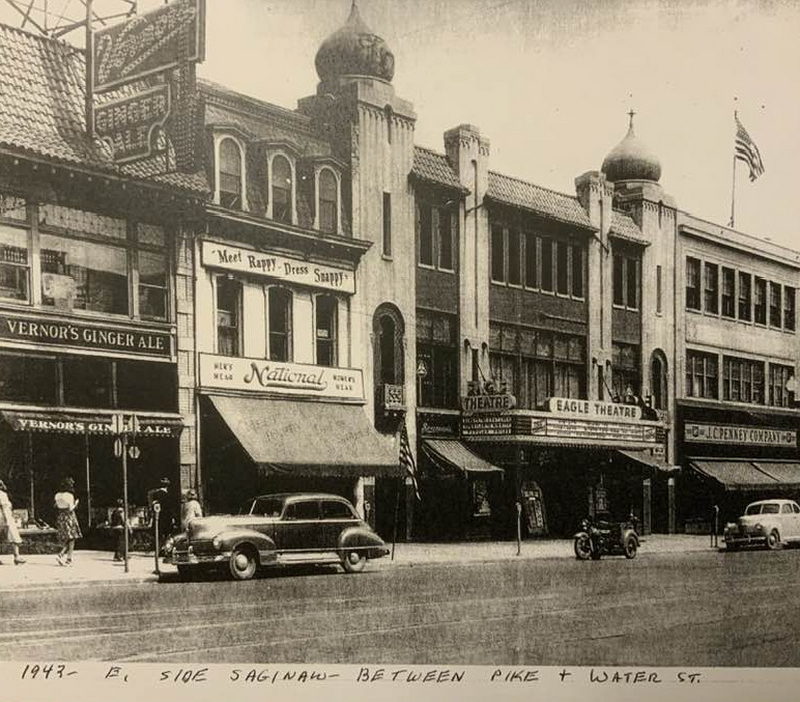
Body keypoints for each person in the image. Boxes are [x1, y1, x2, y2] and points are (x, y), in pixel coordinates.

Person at [55, 477, 82, 566]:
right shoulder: (69, 496)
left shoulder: (57, 495)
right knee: (72, 538)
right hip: (69, 517)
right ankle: (68, 558)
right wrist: (76, 503)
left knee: (68, 538)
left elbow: (56, 505)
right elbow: (71, 508)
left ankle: (62, 554)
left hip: (61, 517)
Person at [0, 479, 25, 565]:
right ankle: (16, 556)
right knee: (14, 536)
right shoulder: (2, 494)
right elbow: (4, 508)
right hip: (4, 517)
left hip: (3, 517)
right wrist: (8, 521)